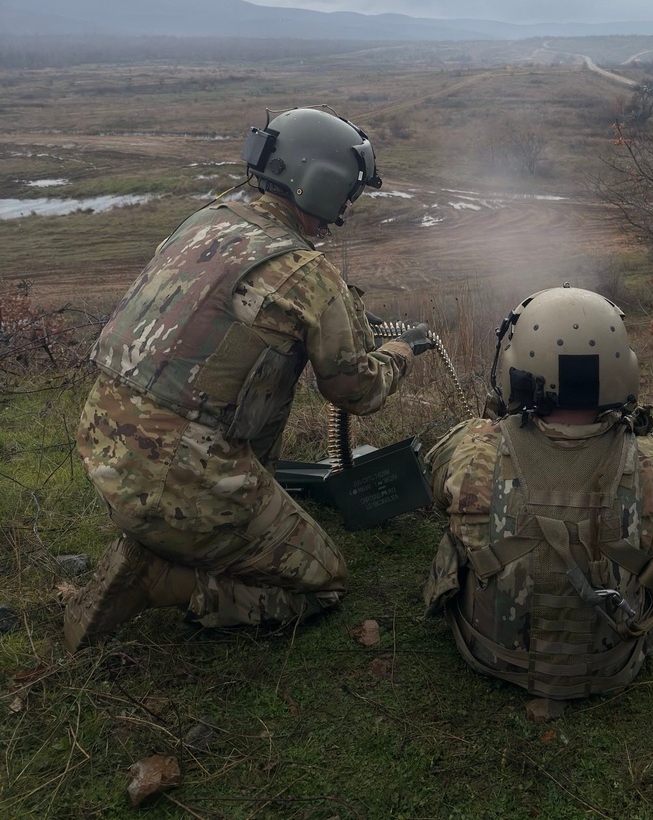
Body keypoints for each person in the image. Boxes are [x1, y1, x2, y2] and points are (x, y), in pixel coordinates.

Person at [65, 106, 431, 652]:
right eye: (347, 194)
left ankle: (171, 538)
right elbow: (358, 391)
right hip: (179, 469)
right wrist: (401, 350)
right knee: (321, 582)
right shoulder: (309, 272)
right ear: (323, 185)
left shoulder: (207, 221)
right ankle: (163, 578)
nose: (343, 210)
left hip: (104, 440)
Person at [423, 285, 653, 700]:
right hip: (612, 664)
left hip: (491, 654)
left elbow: (437, 493)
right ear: (621, 369)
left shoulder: (473, 452)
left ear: (517, 371)